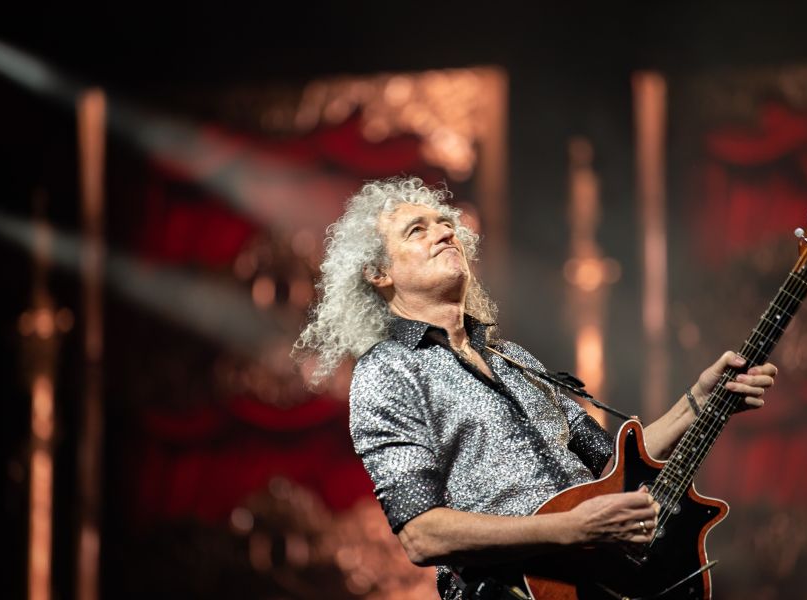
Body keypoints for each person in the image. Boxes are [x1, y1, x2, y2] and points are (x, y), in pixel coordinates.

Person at [293, 176, 777, 599]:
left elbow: (616, 463)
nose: (444, 231)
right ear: (379, 273)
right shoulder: (388, 372)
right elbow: (422, 535)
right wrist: (573, 528)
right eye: (417, 230)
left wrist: (700, 401)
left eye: (445, 224)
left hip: (596, 582)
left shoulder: (513, 358)